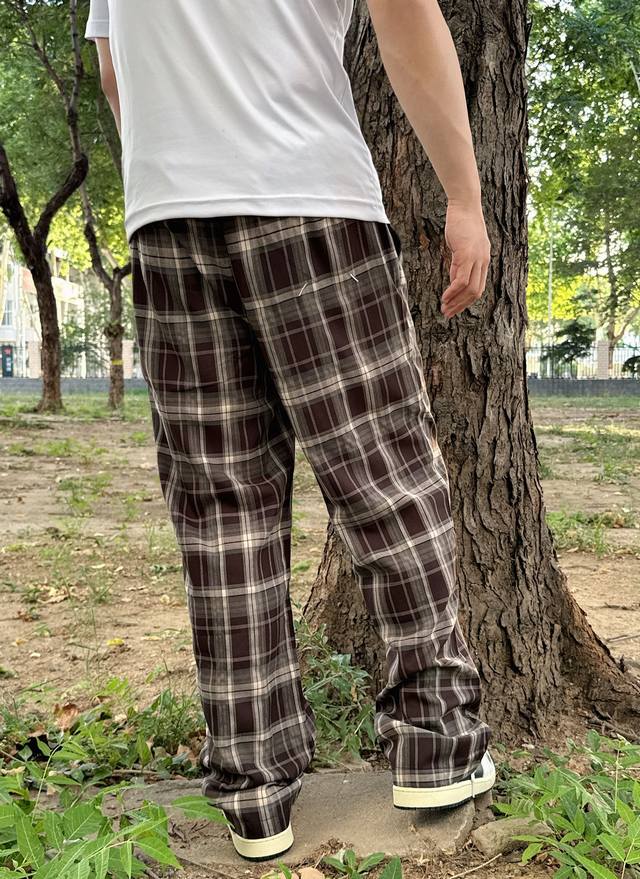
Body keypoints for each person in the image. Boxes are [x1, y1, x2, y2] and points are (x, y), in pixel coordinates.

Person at [85, 0, 495, 863]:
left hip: (165, 214)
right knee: (384, 478)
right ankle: (436, 742)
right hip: (308, 194)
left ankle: (253, 787)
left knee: (221, 512)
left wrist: (176, 169)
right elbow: (406, 19)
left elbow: (115, 64)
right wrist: (464, 196)